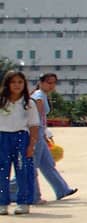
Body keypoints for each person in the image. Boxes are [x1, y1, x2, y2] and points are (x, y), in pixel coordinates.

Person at [30, 73, 76, 202]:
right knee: (32, 166)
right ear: (41, 83)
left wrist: (45, 134)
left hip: (40, 133)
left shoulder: (42, 95)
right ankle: (30, 194)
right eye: (49, 83)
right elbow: (36, 118)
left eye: (54, 83)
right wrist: (37, 134)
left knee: (47, 164)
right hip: (36, 134)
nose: (51, 86)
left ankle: (62, 190)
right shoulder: (39, 96)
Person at [0, 70, 39, 215]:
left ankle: (23, 202)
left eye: (20, 82)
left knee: (23, 171)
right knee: (2, 171)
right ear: (7, 84)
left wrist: (31, 145)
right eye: (13, 82)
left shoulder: (29, 103)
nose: (17, 85)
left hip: (21, 138)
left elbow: (34, 125)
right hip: (2, 137)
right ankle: (2, 203)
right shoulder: (2, 101)